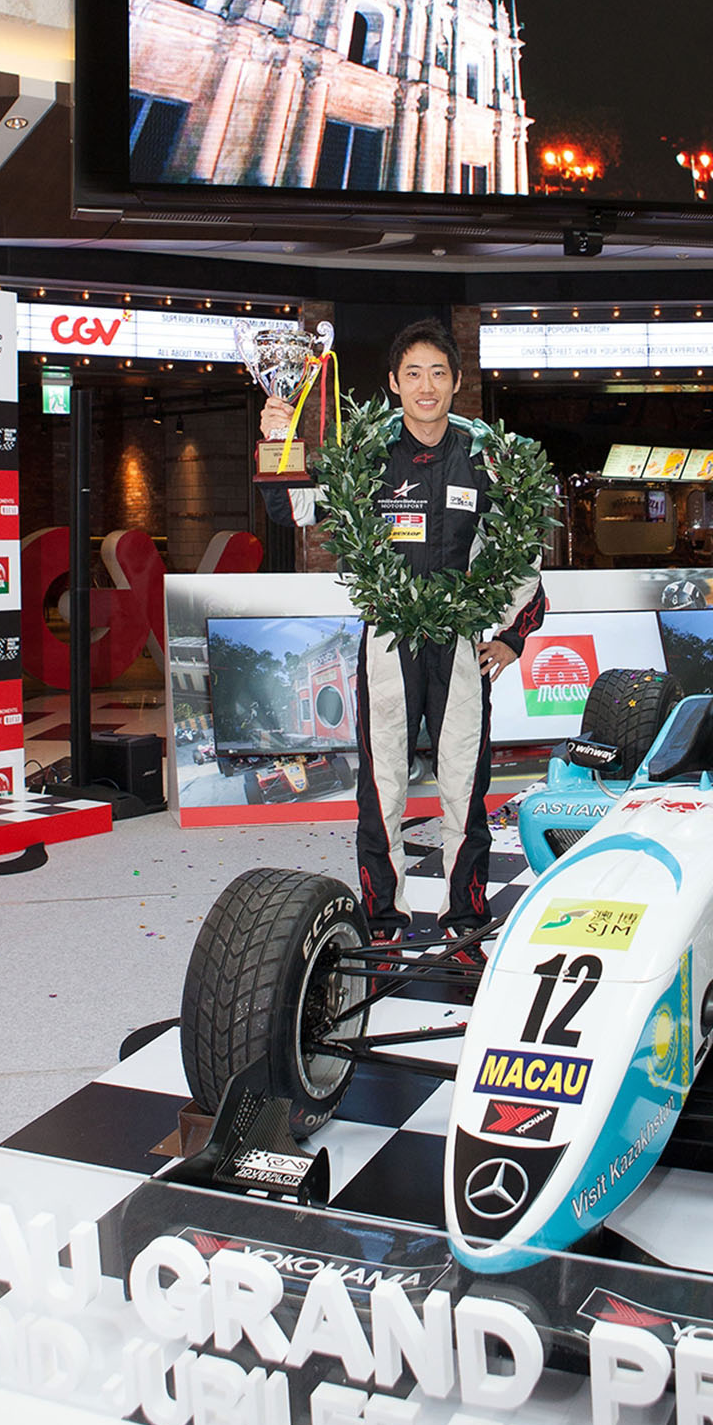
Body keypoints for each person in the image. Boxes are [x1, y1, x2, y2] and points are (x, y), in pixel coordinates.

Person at [259, 318, 546, 966]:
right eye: (413, 373)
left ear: (457, 382)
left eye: (438, 373)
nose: (426, 386)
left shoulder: (486, 458)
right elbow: (293, 510)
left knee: (463, 788)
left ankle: (464, 919)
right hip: (388, 641)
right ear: (393, 383)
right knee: (382, 785)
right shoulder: (367, 455)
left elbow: (523, 550)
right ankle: (384, 918)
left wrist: (512, 637)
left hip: (460, 644)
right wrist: (279, 444)